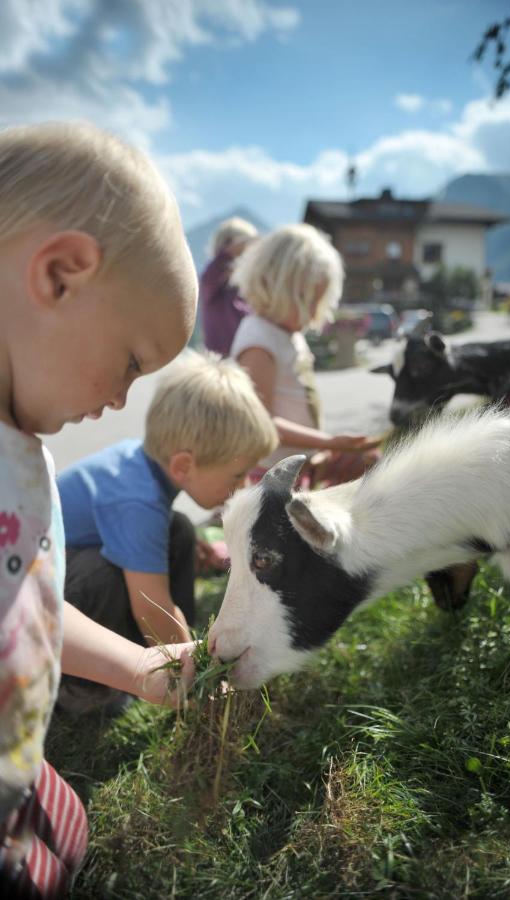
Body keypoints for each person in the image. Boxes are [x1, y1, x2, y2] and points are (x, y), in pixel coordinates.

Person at [0, 120, 199, 897]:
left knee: (67, 831)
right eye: (128, 363)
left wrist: (140, 667)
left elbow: (30, 599)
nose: (120, 399)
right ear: (60, 276)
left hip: (19, 756)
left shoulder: (25, 447)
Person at [57, 351, 278, 713]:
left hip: (61, 579)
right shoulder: (136, 503)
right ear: (183, 465)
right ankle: (82, 690)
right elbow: (152, 608)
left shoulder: (139, 466)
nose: (243, 486)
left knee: (179, 529)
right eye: (236, 475)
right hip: (42, 611)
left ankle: (173, 650)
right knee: (106, 574)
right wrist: (202, 677)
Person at [229, 223, 381, 486]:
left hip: (299, 468)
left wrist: (321, 450)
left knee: (372, 463)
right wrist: (328, 441)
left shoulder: (288, 335)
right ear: (275, 287)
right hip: (269, 478)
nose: (313, 314)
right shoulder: (258, 340)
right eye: (308, 301)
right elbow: (261, 423)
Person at [197, 216, 258, 355]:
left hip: (244, 354)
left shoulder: (244, 287)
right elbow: (213, 272)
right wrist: (228, 254)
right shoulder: (211, 283)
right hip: (220, 358)